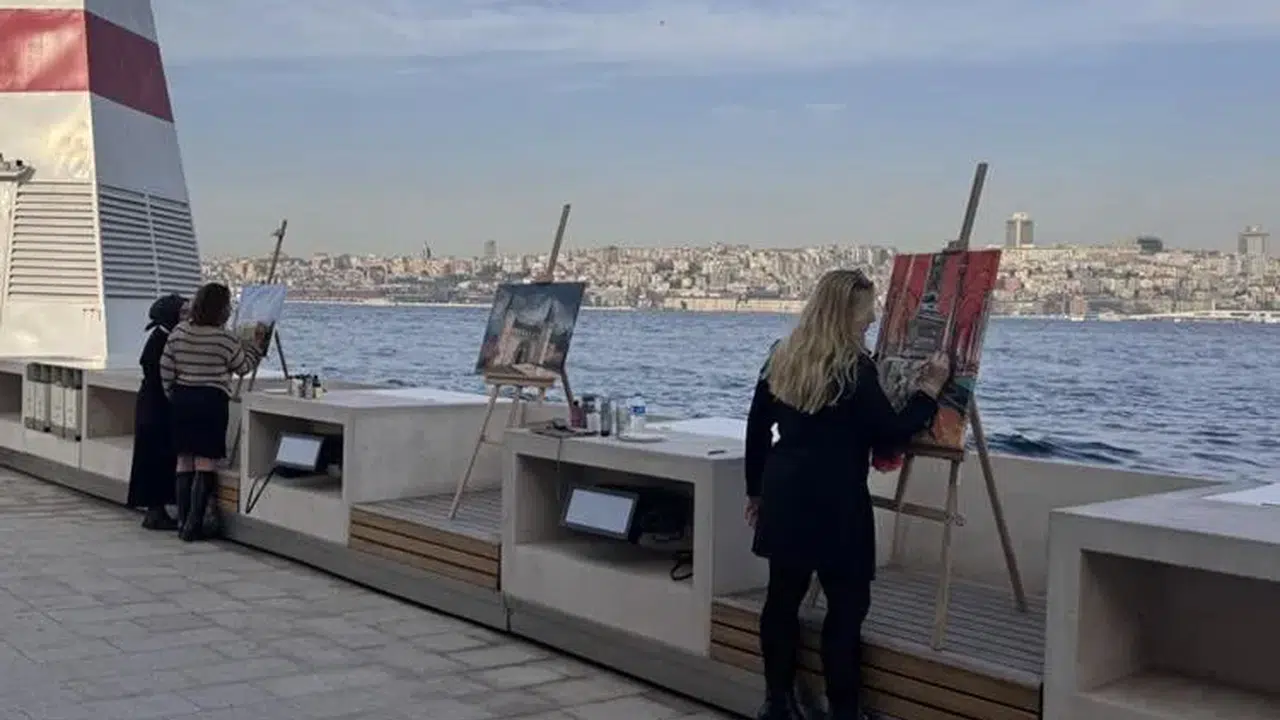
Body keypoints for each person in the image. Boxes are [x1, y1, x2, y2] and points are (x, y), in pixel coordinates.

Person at [744, 269, 950, 720]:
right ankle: (844, 712)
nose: (873, 318)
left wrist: (755, 492)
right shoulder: (855, 369)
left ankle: (777, 703)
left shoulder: (781, 355)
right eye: (867, 310)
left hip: (784, 491)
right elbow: (890, 431)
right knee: (847, 607)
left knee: (782, 599)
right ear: (846, 313)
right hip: (836, 499)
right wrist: (929, 391)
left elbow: (757, 429)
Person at [160, 282, 265, 542]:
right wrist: (255, 346)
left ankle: (182, 520)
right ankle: (193, 525)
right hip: (211, 402)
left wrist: (173, 392)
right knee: (205, 461)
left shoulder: (179, 332)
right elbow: (243, 367)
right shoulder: (225, 338)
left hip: (182, 399)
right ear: (222, 309)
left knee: (184, 460)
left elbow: (166, 367)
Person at [125, 293, 187, 530]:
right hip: (157, 407)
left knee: (152, 459)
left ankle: (156, 510)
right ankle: (156, 512)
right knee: (158, 458)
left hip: (150, 405)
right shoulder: (164, 340)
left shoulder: (158, 337)